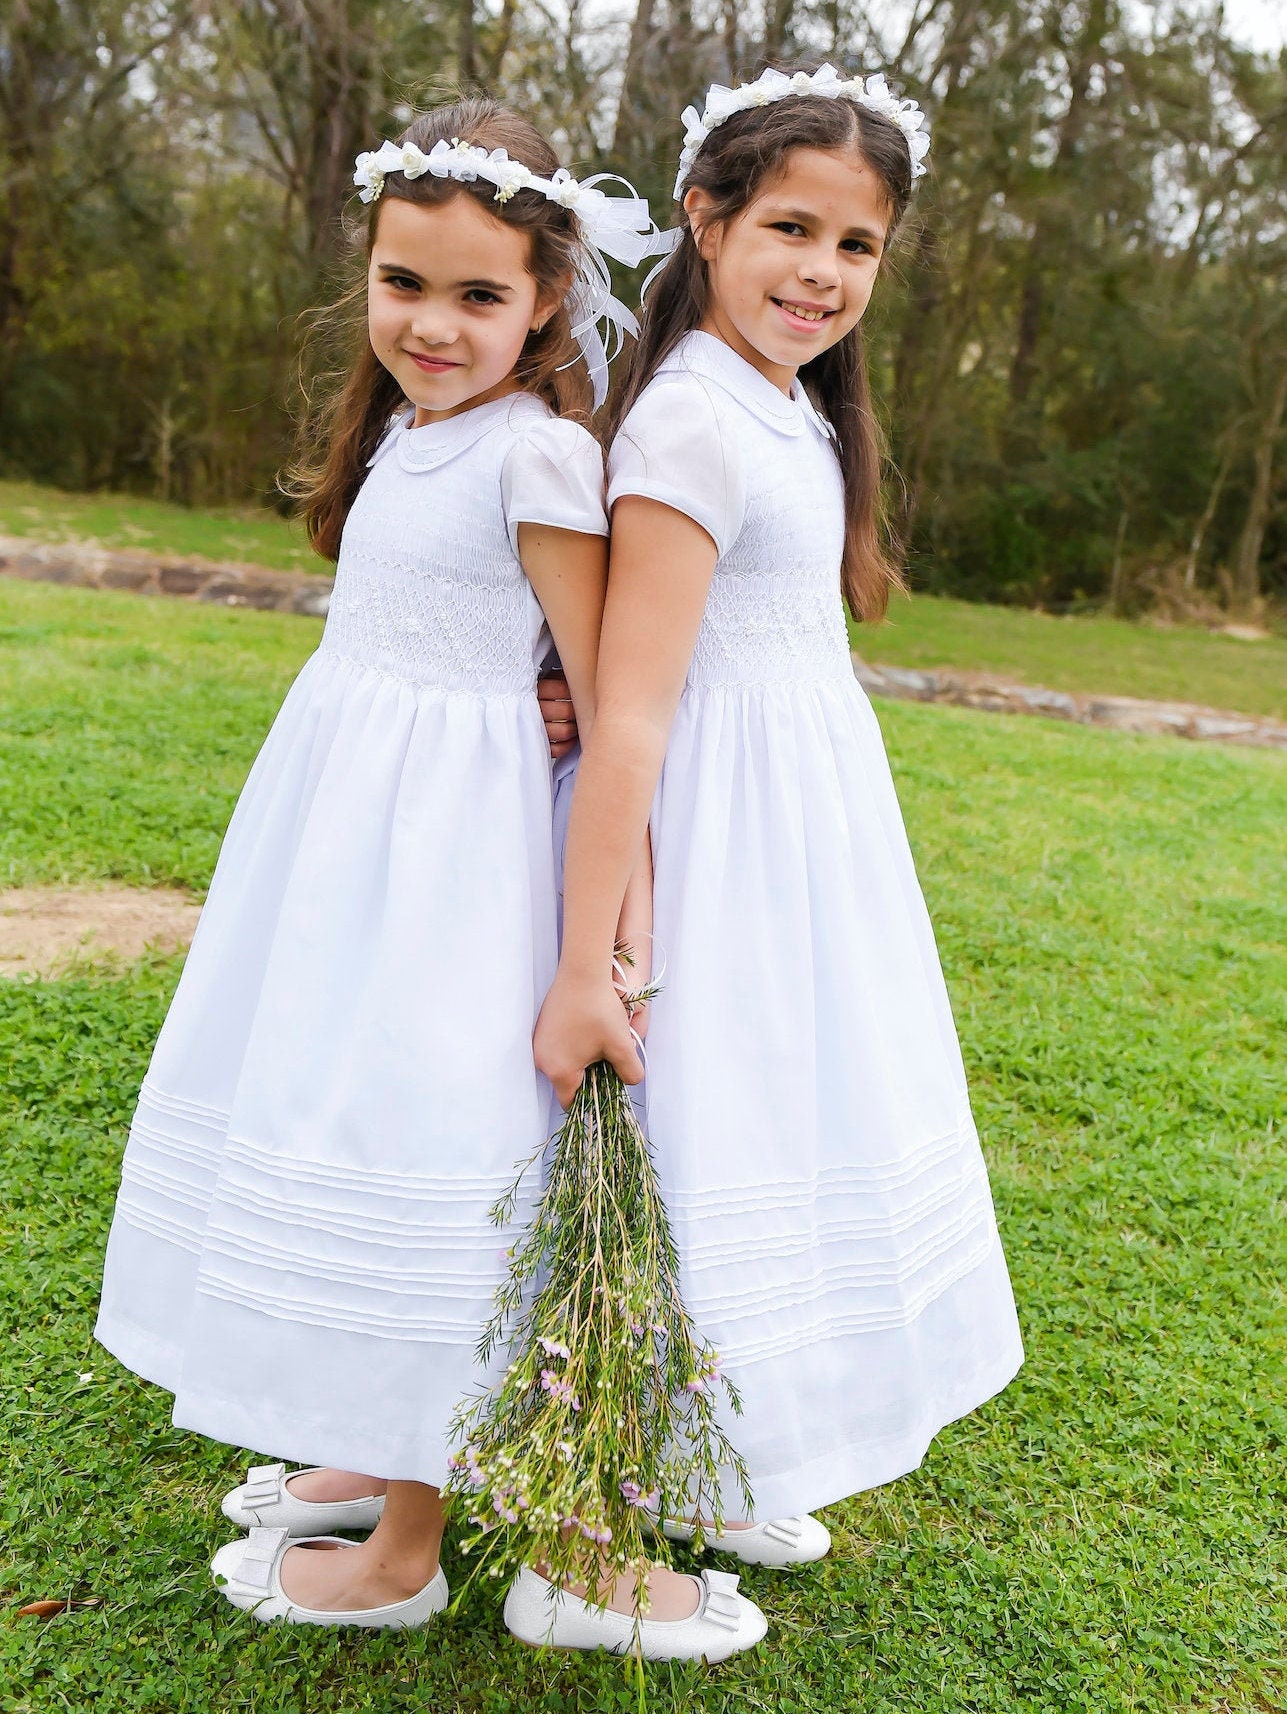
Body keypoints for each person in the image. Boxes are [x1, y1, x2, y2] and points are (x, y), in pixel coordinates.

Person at [93, 97, 670, 1637]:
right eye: (403, 283)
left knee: (434, 1138)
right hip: (343, 835)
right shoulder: (409, 439)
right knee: (333, 1100)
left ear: (547, 297)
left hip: (455, 862)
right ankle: (357, 1433)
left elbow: (608, 686)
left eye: (480, 294)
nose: (434, 322)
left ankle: (409, 1544)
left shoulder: (541, 456)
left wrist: (616, 918)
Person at [534, 62, 1025, 1637]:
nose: (821, 272)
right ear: (705, 216)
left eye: (857, 245)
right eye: (789, 228)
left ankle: (709, 1451)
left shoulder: (789, 406)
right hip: (716, 837)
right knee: (707, 1127)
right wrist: (590, 946)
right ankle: (591, 1532)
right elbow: (632, 713)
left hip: (809, 827)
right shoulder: (686, 420)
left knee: (785, 1115)